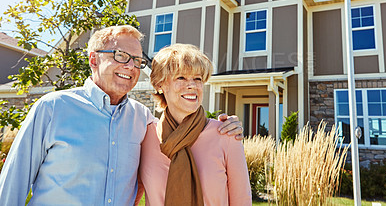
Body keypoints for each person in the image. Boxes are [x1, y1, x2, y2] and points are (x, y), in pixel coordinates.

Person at [0, 25, 243, 205]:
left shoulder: (142, 120)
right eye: (120, 56)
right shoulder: (52, 108)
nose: (130, 67)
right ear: (93, 60)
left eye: (137, 61)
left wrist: (231, 124)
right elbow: (12, 186)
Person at [136, 44, 252, 206]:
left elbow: (242, 201)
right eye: (181, 78)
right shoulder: (145, 135)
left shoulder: (226, 134)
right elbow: (132, 194)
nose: (192, 86)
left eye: (198, 79)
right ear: (160, 85)